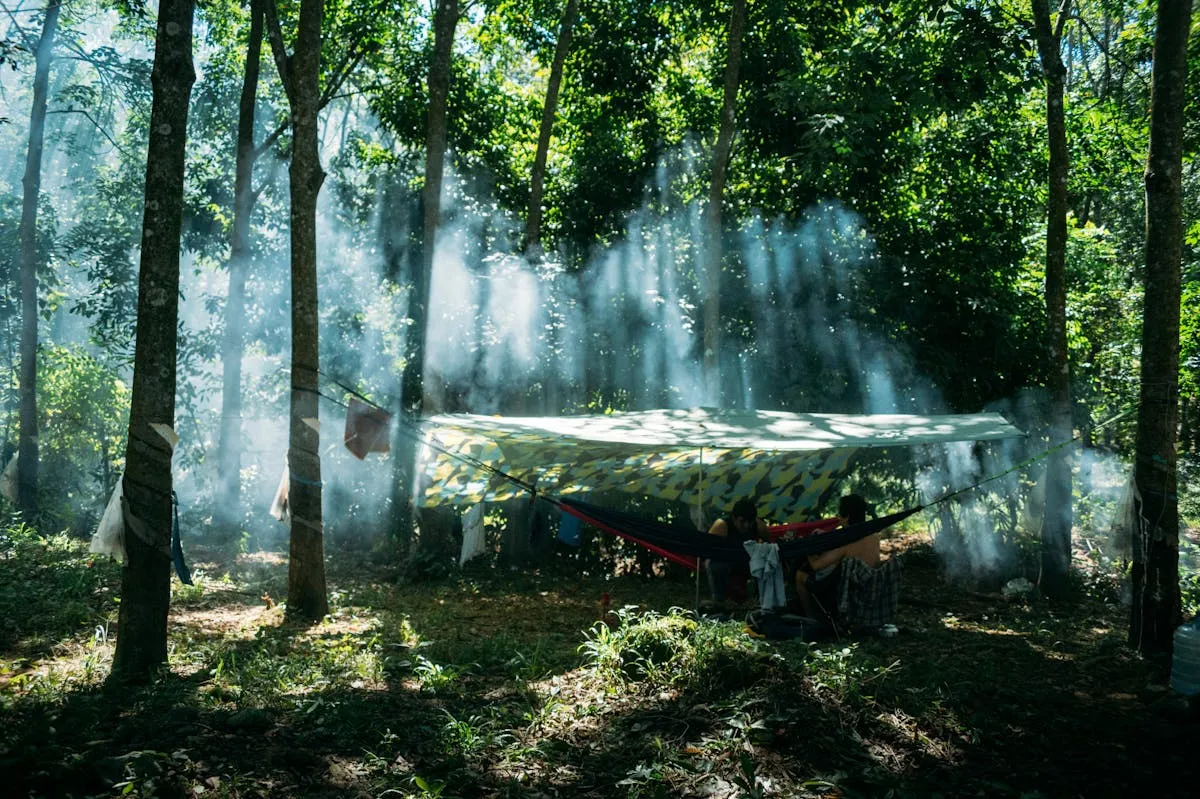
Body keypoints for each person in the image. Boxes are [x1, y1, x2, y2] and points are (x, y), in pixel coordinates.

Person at [794, 494, 879, 621]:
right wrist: (828, 535)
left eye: (840, 515)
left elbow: (816, 565)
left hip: (846, 589)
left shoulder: (847, 541)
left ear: (847, 517)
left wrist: (808, 548)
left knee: (800, 575)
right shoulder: (874, 535)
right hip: (869, 586)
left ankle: (811, 618)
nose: (839, 519)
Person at [705, 498, 768, 603]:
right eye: (742, 521)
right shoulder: (722, 526)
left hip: (746, 561)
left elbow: (769, 546)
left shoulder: (760, 527)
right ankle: (719, 601)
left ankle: (759, 600)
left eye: (750, 522)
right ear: (734, 518)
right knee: (717, 566)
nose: (747, 525)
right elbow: (707, 550)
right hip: (724, 561)